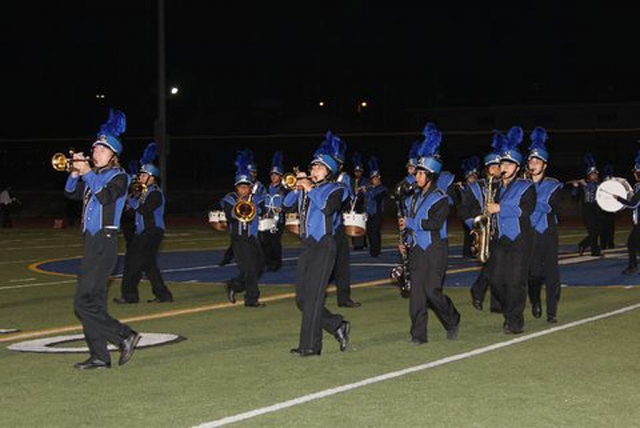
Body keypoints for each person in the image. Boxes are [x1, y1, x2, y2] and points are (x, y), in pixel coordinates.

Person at [63, 109, 140, 369]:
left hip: (105, 241)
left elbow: (105, 197)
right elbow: (71, 194)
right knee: (93, 302)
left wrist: (86, 173)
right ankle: (99, 355)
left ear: (113, 155)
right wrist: (74, 173)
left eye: (101, 150)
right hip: (91, 242)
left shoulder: (120, 177)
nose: (95, 153)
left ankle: (124, 335)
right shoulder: (93, 176)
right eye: (94, 149)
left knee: (81, 303)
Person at [284, 136, 350, 356]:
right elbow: (286, 205)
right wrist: (297, 187)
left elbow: (327, 208)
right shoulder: (307, 187)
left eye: (319, 167)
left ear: (329, 171)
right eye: (313, 166)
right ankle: (336, 324)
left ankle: (311, 346)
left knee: (313, 297)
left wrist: (309, 187)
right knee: (302, 298)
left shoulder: (336, 188)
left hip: (325, 245)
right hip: (308, 245)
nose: (314, 169)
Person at [399, 127, 460, 345]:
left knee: (432, 292)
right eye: (416, 172)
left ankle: (452, 319)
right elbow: (408, 226)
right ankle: (418, 335)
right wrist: (404, 242)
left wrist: (411, 223)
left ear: (430, 176)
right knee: (416, 296)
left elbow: (434, 224)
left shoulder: (440, 198)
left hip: (435, 249)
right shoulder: (411, 199)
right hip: (416, 250)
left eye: (420, 173)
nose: (416, 176)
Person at [486, 126, 536, 334]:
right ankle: (509, 310)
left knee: (516, 282)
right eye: (502, 163)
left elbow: (525, 210)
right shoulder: (495, 187)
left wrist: (500, 208)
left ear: (516, 168)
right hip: (499, 239)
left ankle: (515, 320)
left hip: (520, 240)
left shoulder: (526, 186)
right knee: (496, 280)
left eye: (508, 164)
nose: (504, 167)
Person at [114, 161, 173, 304]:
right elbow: (129, 210)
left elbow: (144, 209)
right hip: (144, 232)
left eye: (144, 175)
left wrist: (132, 200)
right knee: (149, 265)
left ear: (152, 178)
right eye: (140, 175)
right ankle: (163, 295)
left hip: (152, 232)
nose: (140, 177)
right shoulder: (142, 193)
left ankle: (130, 296)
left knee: (132, 261)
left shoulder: (155, 193)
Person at [526, 127, 563, 323]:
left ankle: (551, 312)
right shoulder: (520, 185)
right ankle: (535, 301)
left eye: (537, 161)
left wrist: (530, 203)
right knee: (533, 274)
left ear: (544, 165)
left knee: (551, 273)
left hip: (548, 232)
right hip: (528, 233)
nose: (533, 164)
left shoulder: (553, 184)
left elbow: (552, 207)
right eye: (531, 160)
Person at [221, 150, 266, 308]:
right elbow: (230, 214)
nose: (244, 190)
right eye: (241, 187)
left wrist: (252, 204)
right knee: (250, 269)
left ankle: (235, 285)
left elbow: (263, 210)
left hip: (253, 238)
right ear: (236, 187)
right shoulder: (229, 199)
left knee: (259, 267)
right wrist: (241, 204)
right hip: (239, 239)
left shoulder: (257, 199)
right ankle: (251, 299)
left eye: (246, 187)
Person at [466, 147, 502, 312]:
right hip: (483, 230)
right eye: (493, 166)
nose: (497, 170)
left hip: (501, 231)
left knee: (496, 266)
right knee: (493, 265)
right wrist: (475, 227)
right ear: (487, 168)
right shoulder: (476, 187)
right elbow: (465, 211)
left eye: (499, 166)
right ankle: (486, 296)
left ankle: (483, 294)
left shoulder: (504, 186)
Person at [328, 132, 361, 308]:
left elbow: (346, 198)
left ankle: (344, 298)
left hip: (337, 227)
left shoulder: (343, 178)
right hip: (323, 229)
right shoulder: (319, 179)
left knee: (341, 264)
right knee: (323, 266)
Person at [569, 154, 602, 257]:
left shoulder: (600, 184)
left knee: (598, 230)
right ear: (588, 175)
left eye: (596, 174)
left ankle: (582, 245)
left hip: (598, 209)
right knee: (592, 231)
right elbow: (574, 198)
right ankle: (595, 251)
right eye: (593, 174)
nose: (595, 176)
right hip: (588, 210)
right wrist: (575, 187)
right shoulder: (582, 185)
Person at [260, 151, 287, 272]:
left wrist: (282, 209)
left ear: (281, 176)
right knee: (265, 240)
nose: (273, 177)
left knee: (275, 241)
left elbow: (289, 202)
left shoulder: (284, 189)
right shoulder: (266, 188)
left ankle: (276, 263)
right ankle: (267, 261)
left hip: (278, 218)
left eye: (276, 175)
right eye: (272, 175)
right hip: (266, 217)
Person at [614, 151, 640, 275]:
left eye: (636, 172)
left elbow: (634, 203)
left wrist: (618, 198)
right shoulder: (637, 186)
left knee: (631, 243)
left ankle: (633, 266)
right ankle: (633, 266)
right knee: (635, 244)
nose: (634, 174)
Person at [363, 156, 387, 257]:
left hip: (377, 213)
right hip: (369, 214)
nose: (374, 180)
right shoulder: (371, 188)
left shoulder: (382, 189)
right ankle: (373, 249)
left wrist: (366, 192)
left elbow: (375, 197)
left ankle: (376, 251)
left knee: (375, 232)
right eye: (372, 179)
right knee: (369, 232)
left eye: (375, 178)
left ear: (379, 178)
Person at [458, 157, 481, 258]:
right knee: (469, 234)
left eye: (474, 177)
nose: (473, 179)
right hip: (468, 214)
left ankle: (474, 250)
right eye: (471, 177)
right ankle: (468, 252)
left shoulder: (478, 187)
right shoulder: (463, 188)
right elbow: (463, 203)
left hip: (476, 213)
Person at [350, 152, 369, 251]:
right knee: (353, 224)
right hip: (353, 205)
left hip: (362, 205)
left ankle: (361, 243)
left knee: (361, 224)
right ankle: (356, 243)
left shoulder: (365, 181)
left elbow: (368, 193)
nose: (358, 173)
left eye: (359, 171)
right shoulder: (351, 181)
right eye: (356, 171)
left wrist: (363, 191)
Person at [600, 165, 617, 250]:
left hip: (611, 210)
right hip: (602, 210)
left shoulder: (614, 186)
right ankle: (603, 244)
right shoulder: (601, 186)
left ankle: (610, 244)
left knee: (610, 228)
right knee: (603, 228)